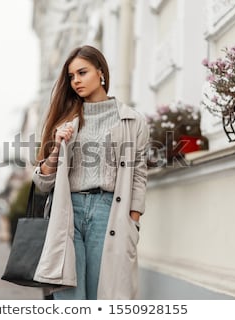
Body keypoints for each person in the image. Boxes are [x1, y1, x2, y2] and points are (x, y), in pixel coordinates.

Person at [32, 45, 149, 300]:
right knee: (70, 295)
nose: (76, 81)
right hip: (68, 211)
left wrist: (134, 219)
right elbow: (41, 182)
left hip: (109, 212)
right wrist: (57, 146)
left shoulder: (132, 121)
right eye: (72, 76)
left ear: (101, 72)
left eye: (82, 73)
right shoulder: (65, 120)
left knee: (103, 293)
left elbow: (139, 174)